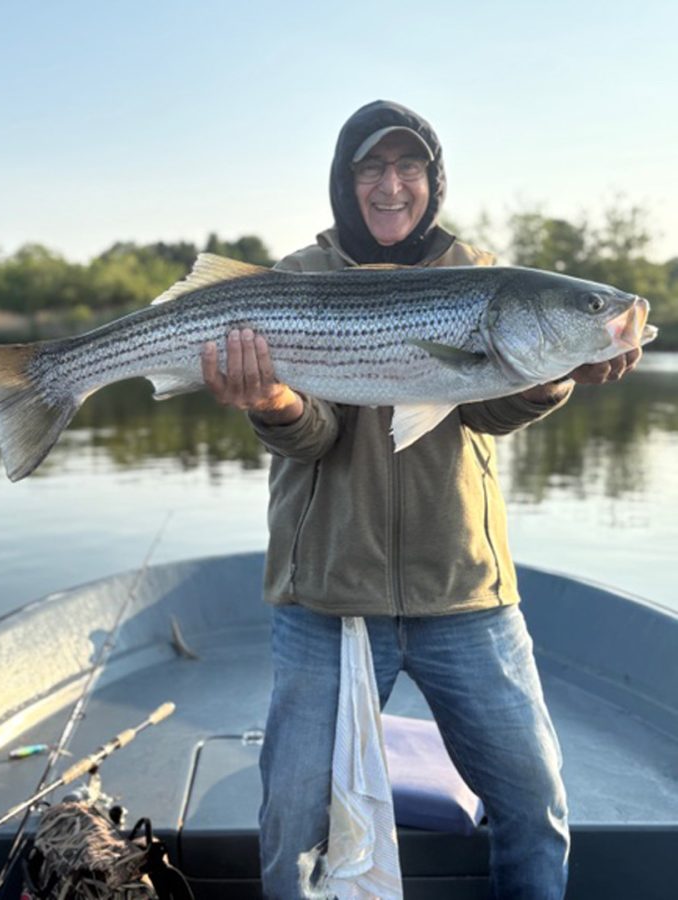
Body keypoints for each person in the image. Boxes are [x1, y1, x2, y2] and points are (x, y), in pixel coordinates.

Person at [201, 100, 642, 900]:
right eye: (371, 167)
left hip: (464, 592)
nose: (391, 185)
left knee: (534, 805)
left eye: (409, 167)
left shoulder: (481, 273)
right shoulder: (296, 279)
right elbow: (315, 437)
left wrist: (554, 378)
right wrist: (272, 401)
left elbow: (483, 414)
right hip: (327, 596)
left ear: (434, 182)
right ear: (345, 182)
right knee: (293, 822)